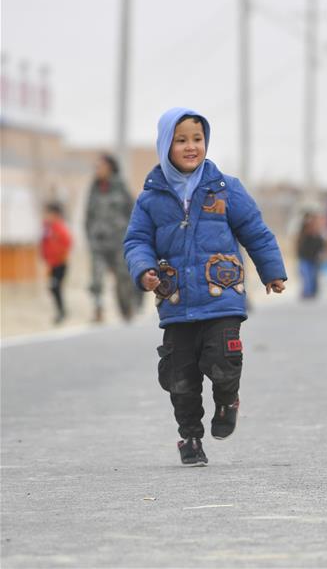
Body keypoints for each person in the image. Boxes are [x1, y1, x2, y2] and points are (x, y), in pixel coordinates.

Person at [124, 108, 287, 466]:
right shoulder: (150, 198)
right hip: (177, 302)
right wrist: (144, 269)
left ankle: (228, 400)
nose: (190, 146)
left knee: (224, 361)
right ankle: (190, 438)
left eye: (197, 139)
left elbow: (255, 232)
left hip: (221, 297)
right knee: (180, 379)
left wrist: (271, 271)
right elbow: (136, 241)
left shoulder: (226, 188)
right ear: (166, 144)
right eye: (181, 140)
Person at [85, 153, 136, 322]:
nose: (97, 170)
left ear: (110, 167)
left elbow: (134, 213)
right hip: (98, 242)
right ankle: (98, 310)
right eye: (96, 167)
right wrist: (89, 235)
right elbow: (88, 215)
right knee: (96, 279)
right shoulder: (94, 188)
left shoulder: (121, 187)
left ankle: (126, 309)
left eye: (100, 166)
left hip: (118, 242)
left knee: (123, 278)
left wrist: (131, 237)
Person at [40, 202, 72, 325]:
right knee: (53, 288)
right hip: (51, 264)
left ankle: (61, 312)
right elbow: (44, 244)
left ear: (56, 214)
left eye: (49, 213)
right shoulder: (47, 228)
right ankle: (60, 311)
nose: (47, 216)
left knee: (56, 286)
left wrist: (61, 257)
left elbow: (67, 242)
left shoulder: (59, 227)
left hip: (60, 263)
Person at [296, 211, 325, 299]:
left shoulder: (317, 235)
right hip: (304, 257)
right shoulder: (303, 234)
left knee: (313, 276)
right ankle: (306, 292)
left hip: (314, 258)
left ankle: (312, 291)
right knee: (306, 275)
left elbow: (321, 245)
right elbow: (299, 245)